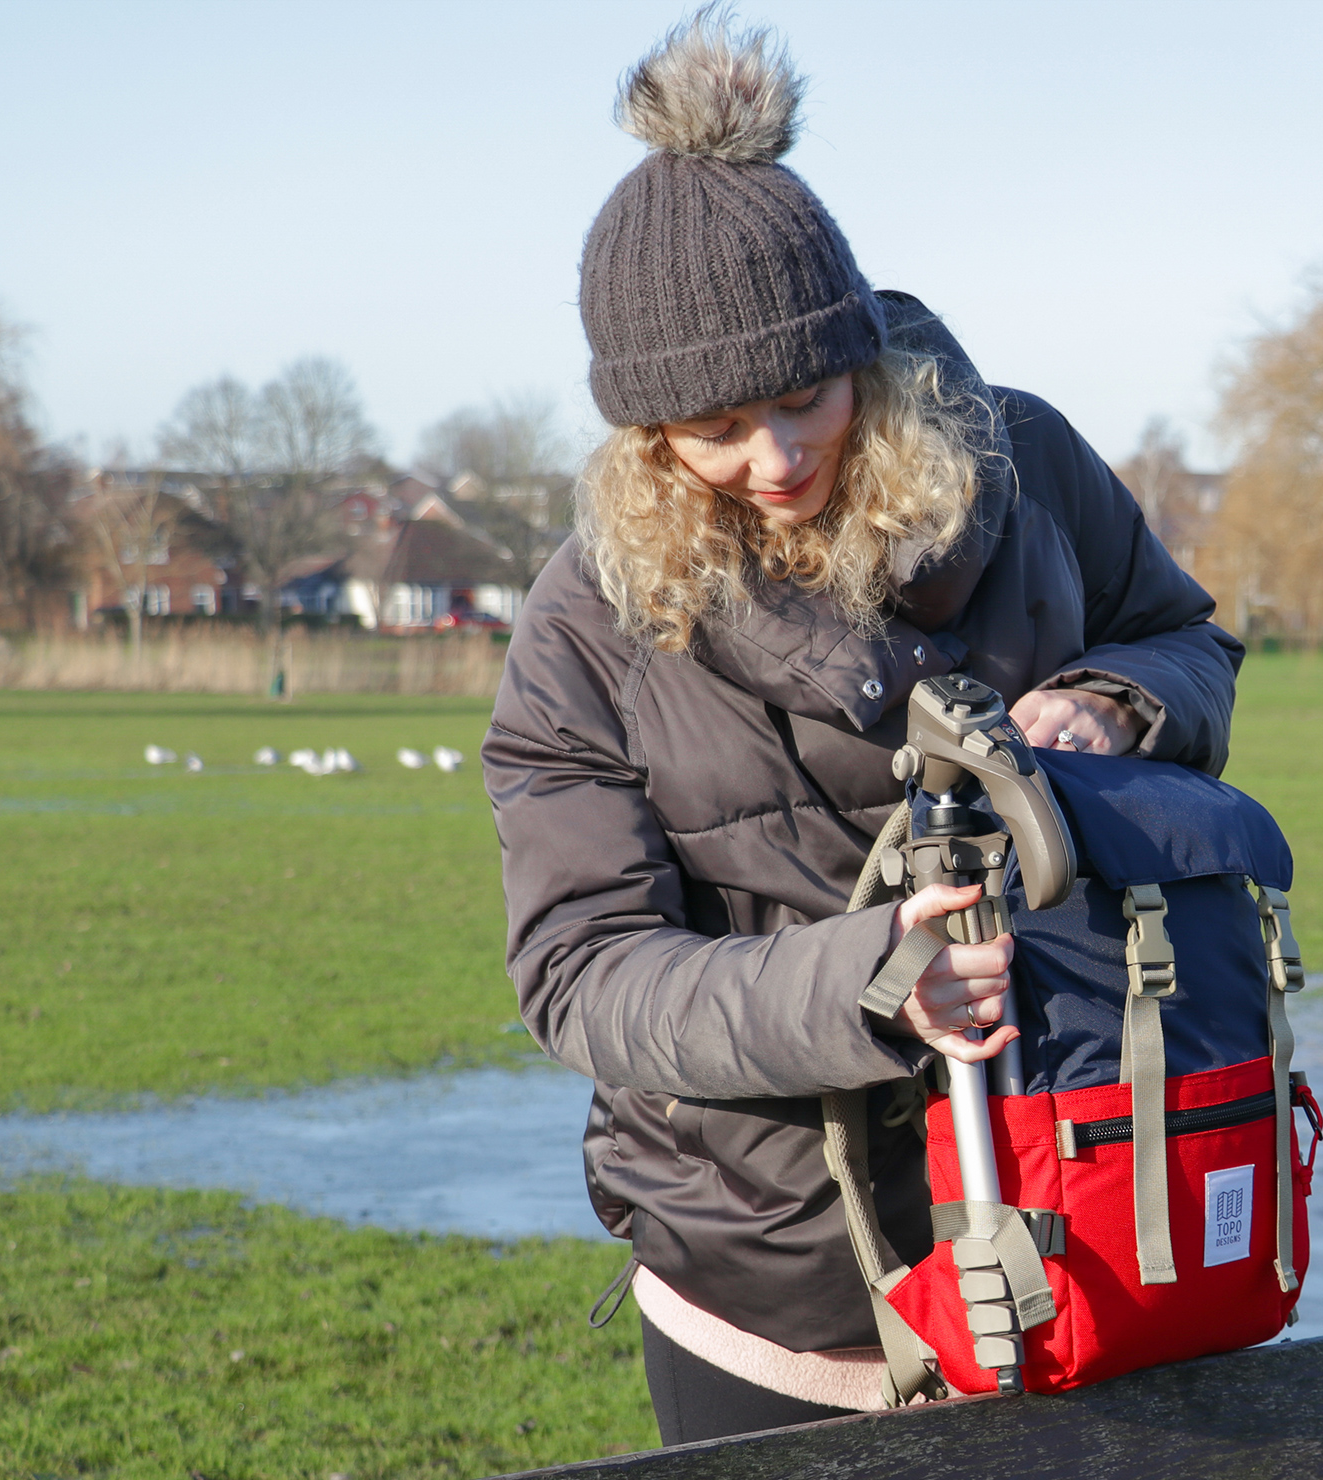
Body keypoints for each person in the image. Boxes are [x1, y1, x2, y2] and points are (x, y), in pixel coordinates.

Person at [482, 12, 1240, 1445]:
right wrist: (868, 986)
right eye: (714, 427)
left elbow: (1187, 638)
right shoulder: (585, 622)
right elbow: (577, 977)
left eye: (802, 398)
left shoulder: (1030, 464)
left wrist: (1118, 699)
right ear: (645, 435)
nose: (774, 458)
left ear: (858, 357)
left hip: (1082, 1205)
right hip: (772, 1292)